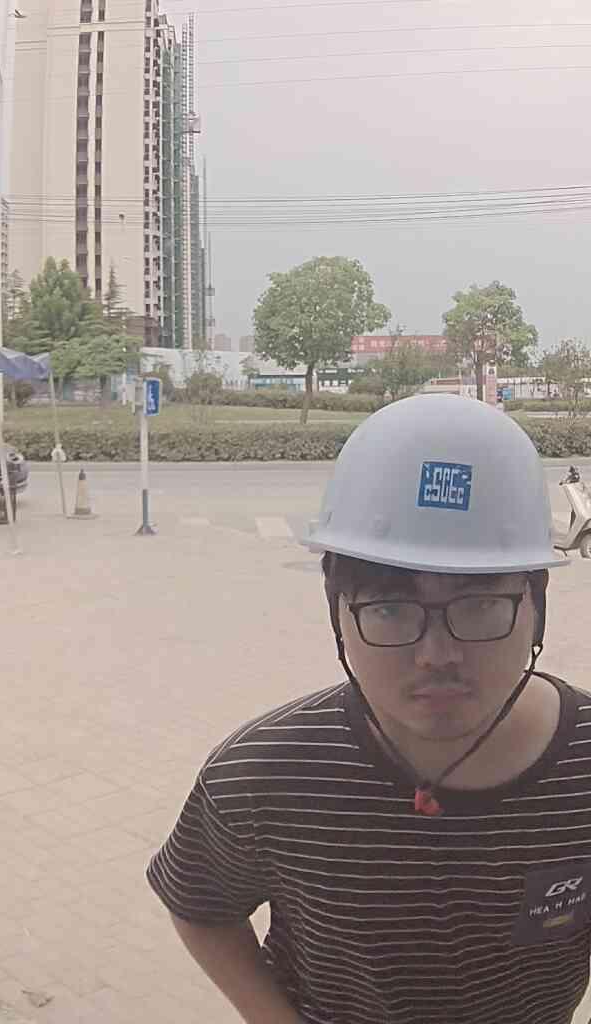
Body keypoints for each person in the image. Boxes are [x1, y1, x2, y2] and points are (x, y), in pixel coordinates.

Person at [147, 394, 591, 1024]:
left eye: (480, 604)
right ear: (337, 614)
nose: (439, 655)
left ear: (536, 608)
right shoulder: (262, 776)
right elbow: (200, 906)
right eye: (389, 608)